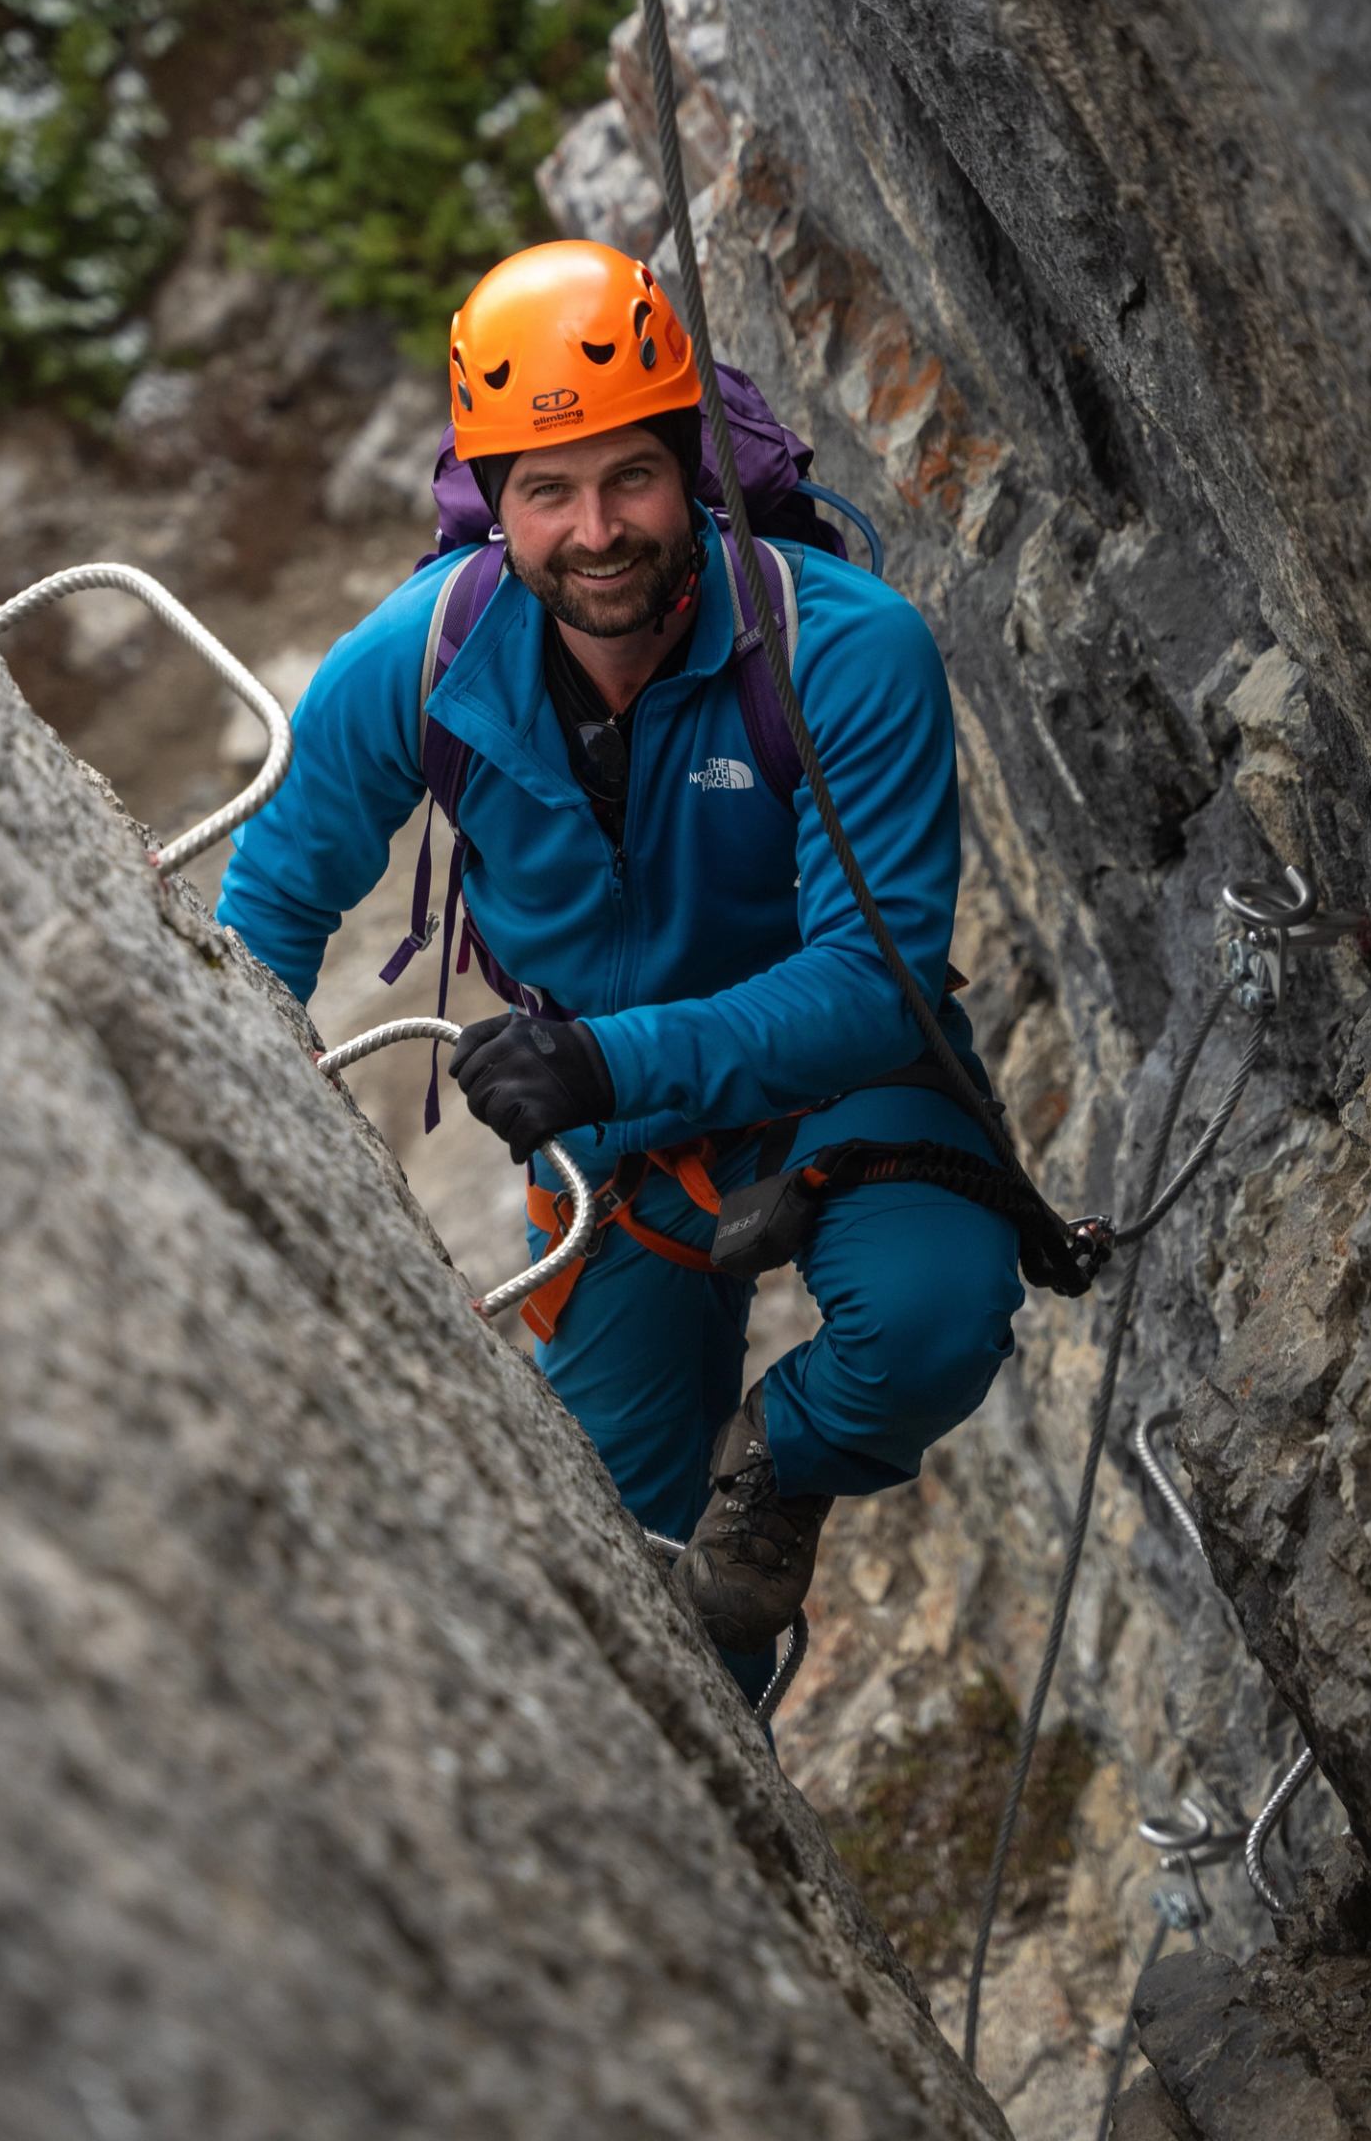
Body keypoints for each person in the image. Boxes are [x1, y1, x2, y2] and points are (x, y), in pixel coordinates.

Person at [216, 238, 1033, 1707]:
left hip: (839, 1079)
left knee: (927, 1323)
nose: (596, 529)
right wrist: (230, 1144)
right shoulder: (425, 657)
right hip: (616, 1146)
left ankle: (780, 1467)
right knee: (626, 1569)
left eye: (630, 478)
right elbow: (276, 891)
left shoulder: (840, 651)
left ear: (691, 463)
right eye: (547, 490)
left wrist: (606, 1061)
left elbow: (877, 979)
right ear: (492, 502)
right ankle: (732, 1816)